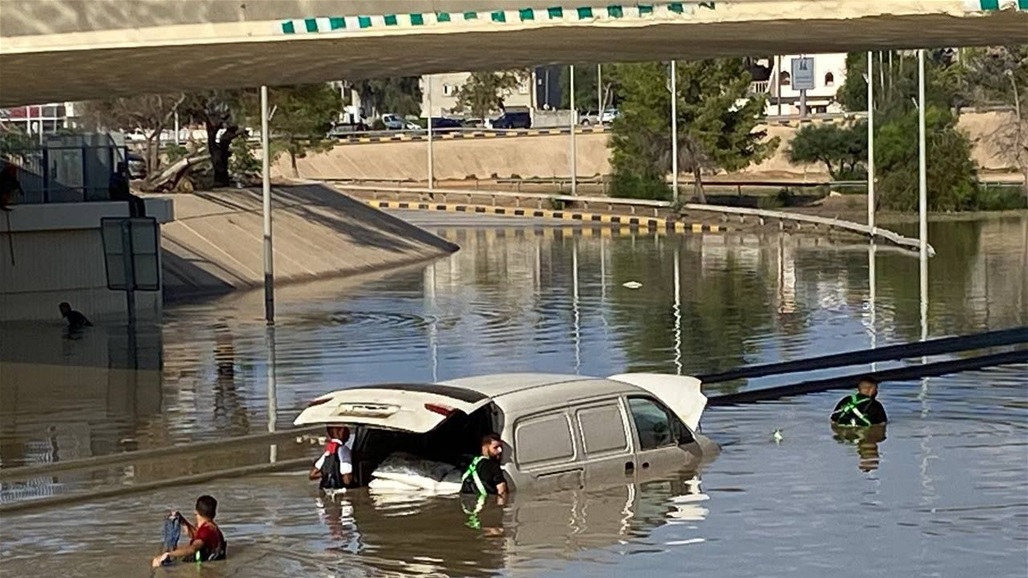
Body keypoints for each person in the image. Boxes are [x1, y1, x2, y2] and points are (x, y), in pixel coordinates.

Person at [151, 495, 227, 567]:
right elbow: (197, 535)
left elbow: (193, 548)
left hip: (205, 568)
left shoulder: (205, 531)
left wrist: (168, 555)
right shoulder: (211, 527)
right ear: (214, 514)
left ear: (196, 512)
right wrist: (182, 521)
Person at [461, 433, 508, 499]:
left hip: (470, 505)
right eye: (495, 447)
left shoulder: (472, 463)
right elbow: (502, 490)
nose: (500, 450)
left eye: (501, 447)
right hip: (489, 504)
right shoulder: (493, 466)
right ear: (485, 448)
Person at [309, 425, 354, 490]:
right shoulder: (344, 450)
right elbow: (347, 480)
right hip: (340, 490)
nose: (349, 433)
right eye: (345, 429)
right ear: (340, 432)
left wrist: (328, 472)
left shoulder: (328, 451)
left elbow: (312, 475)